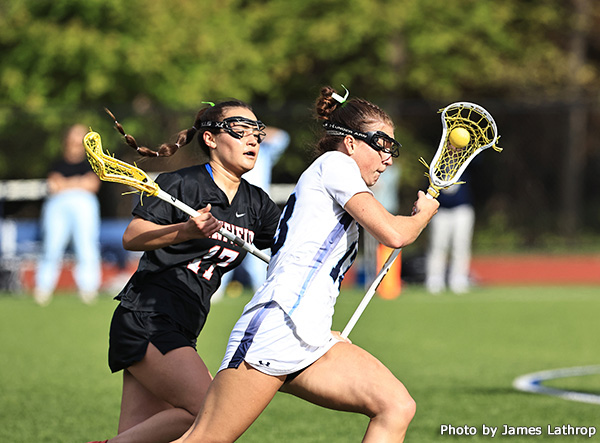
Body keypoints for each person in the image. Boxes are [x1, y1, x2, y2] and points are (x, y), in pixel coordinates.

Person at [173, 86, 439, 443]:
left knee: (396, 406)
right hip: (276, 328)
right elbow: (394, 233)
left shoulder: (338, 175)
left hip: (309, 335)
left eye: (392, 147)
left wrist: (317, 326)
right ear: (350, 143)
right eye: (381, 144)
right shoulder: (335, 165)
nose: (387, 158)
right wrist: (423, 215)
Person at [87, 101, 282, 443]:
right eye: (240, 131)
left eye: (256, 133)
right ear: (210, 138)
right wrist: (186, 231)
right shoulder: (182, 183)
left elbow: (289, 248)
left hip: (186, 325)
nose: (252, 140)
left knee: (145, 435)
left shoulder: (257, 204)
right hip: (148, 317)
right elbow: (132, 236)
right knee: (212, 412)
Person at [216, 126, 290, 298]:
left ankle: (263, 293)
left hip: (256, 208)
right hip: (229, 205)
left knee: (257, 259)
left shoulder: (262, 149)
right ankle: (216, 290)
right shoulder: (230, 148)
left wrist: (251, 132)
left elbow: (282, 137)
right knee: (225, 246)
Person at [34, 124, 102, 306]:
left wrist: (66, 184)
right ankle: (43, 287)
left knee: (86, 245)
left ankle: (88, 288)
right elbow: (54, 185)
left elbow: (92, 185)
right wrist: (78, 183)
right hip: (58, 206)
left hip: (84, 205)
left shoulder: (91, 164)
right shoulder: (57, 163)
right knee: (52, 245)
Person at [425, 176, 475, 294]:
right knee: (437, 246)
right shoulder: (437, 166)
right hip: (440, 209)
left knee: (461, 246)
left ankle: (459, 279)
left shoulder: (466, 168)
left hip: (461, 208)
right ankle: (434, 280)